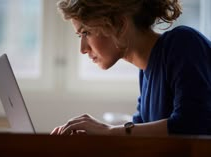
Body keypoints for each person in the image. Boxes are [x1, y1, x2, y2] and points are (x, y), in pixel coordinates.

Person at [51, 0, 211, 136]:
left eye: (86, 33)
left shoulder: (183, 43)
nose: (82, 48)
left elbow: (192, 124)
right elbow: (137, 134)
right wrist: (96, 139)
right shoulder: (145, 72)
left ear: (120, 25)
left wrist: (108, 131)